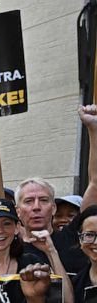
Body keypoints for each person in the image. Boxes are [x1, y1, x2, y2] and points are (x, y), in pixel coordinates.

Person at [14, 106, 97, 275]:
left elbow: (95, 182)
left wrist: (93, 129)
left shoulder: (74, 236)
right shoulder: (8, 248)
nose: (36, 207)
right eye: (29, 201)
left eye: (43, 200)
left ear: (53, 208)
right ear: (17, 211)